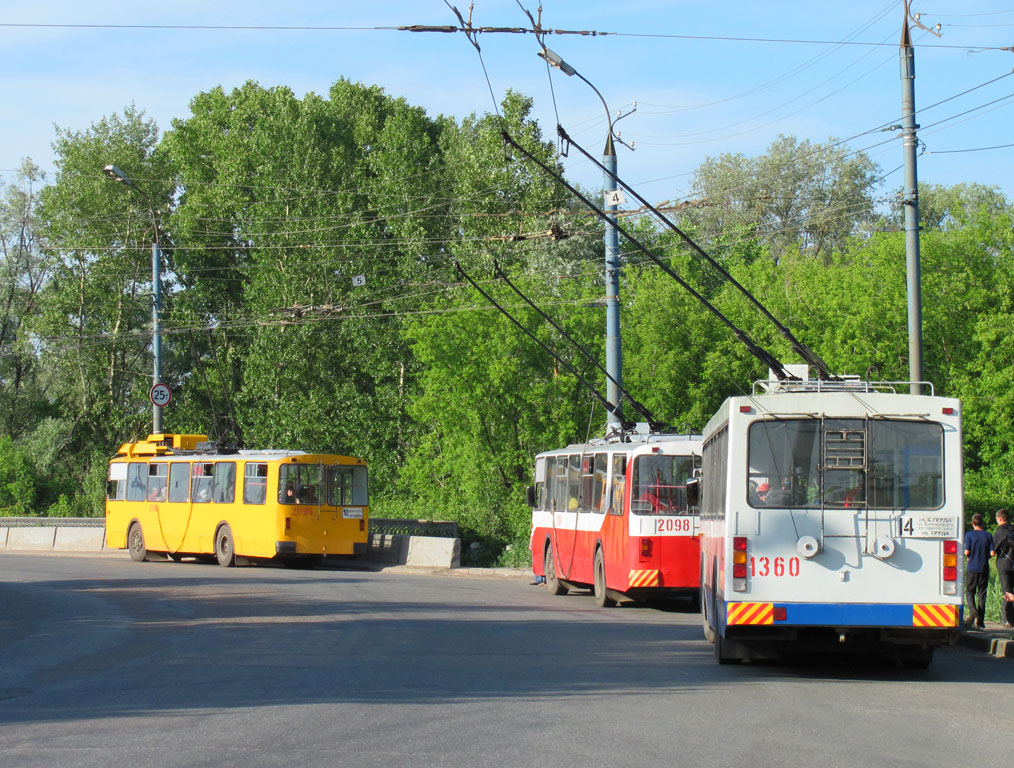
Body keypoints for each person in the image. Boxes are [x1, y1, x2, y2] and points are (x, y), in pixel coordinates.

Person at [963, 513, 992, 629]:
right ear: (982, 523)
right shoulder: (988, 535)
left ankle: (973, 611)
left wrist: (969, 556)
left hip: (972, 568)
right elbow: (992, 553)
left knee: (970, 591)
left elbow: (966, 552)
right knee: (982, 594)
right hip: (984, 567)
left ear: (972, 523)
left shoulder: (969, 535)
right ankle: (980, 621)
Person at [992, 508, 1014, 627]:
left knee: (1007, 592)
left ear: (1000, 519)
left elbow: (993, 550)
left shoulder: (999, 532)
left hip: (1004, 565)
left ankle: (1007, 619)